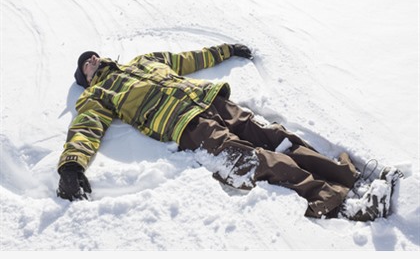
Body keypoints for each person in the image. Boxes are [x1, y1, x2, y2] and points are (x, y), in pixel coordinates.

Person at [57, 43, 403, 222]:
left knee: (277, 138)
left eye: (94, 56)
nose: (93, 59)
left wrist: (227, 51)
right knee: (253, 159)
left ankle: (348, 177)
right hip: (187, 125)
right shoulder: (98, 95)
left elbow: (188, 59)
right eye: (86, 62)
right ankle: (337, 204)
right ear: (85, 78)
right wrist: (71, 166)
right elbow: (85, 129)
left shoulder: (144, 61)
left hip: (214, 102)